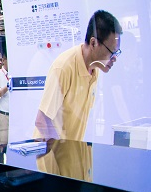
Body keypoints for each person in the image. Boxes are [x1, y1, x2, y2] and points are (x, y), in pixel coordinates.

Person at [34, 10, 122, 142]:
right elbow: (42, 121)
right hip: (52, 152)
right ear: (93, 43)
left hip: (72, 150)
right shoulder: (64, 67)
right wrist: (62, 150)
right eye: (112, 52)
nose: (114, 58)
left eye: (117, 52)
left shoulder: (94, 70)